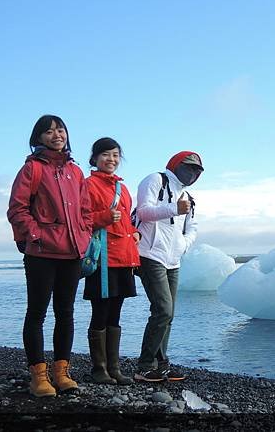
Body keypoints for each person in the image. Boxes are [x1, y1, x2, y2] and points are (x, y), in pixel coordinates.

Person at [7, 114, 92, 397]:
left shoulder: (75, 171)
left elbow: (86, 211)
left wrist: (84, 234)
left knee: (65, 313)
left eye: (61, 129)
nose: (57, 134)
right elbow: (17, 209)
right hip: (41, 252)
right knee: (37, 313)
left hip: (72, 252)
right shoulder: (32, 169)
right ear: (38, 138)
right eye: (49, 131)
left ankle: (61, 373)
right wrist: (35, 235)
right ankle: (39, 377)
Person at [134, 151, 204, 382]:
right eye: (189, 167)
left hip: (173, 259)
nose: (192, 173)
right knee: (163, 310)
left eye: (197, 171)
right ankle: (144, 367)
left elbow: (192, 226)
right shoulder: (155, 180)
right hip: (149, 254)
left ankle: (161, 365)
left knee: (168, 314)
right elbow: (143, 211)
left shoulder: (187, 196)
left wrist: (184, 244)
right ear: (175, 165)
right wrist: (174, 209)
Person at [84, 137, 140, 385]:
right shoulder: (88, 185)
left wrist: (134, 232)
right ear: (94, 158)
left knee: (116, 312)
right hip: (102, 259)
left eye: (116, 155)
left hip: (123, 256)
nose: (111, 160)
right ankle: (99, 369)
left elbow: (126, 219)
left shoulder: (122, 188)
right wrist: (104, 216)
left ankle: (114, 368)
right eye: (106, 154)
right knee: (101, 310)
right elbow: (81, 218)